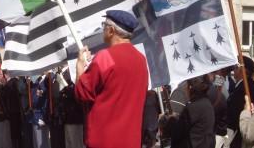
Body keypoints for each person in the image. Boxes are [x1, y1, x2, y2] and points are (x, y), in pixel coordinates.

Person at [75, 10, 148, 148]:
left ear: (111, 30)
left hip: (105, 142)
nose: (103, 29)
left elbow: (82, 94)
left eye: (104, 25)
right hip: (131, 142)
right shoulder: (141, 60)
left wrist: (79, 66)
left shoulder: (105, 57)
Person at [162, 75, 215, 148]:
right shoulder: (207, 103)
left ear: (191, 88)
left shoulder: (192, 108)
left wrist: (170, 119)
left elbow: (177, 133)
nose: (185, 89)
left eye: (186, 86)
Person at [226, 56, 254, 148]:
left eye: (236, 67)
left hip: (239, 135)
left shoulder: (244, 89)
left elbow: (235, 114)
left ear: (242, 70)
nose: (234, 70)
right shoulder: (248, 86)